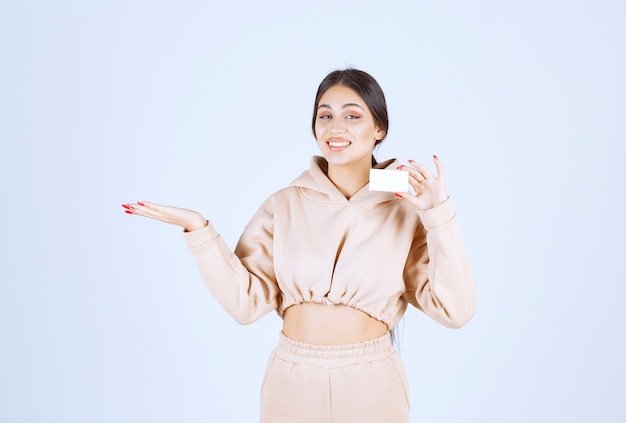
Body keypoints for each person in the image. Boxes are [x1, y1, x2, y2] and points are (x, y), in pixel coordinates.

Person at [122, 68, 476, 423]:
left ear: (379, 128)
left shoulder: (407, 204)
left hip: (372, 383)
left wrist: (439, 216)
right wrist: (197, 229)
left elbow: (455, 310)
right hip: (291, 382)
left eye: (352, 116)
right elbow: (246, 304)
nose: (336, 128)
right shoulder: (285, 203)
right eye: (325, 116)